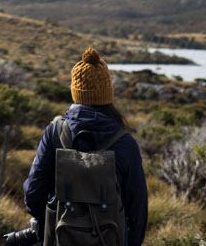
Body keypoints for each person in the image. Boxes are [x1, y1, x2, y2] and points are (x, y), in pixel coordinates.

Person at [23, 48, 148, 246]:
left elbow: (33, 192)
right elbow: (138, 210)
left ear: (76, 92)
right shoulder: (125, 143)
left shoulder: (55, 132)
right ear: (107, 94)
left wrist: (48, 224)